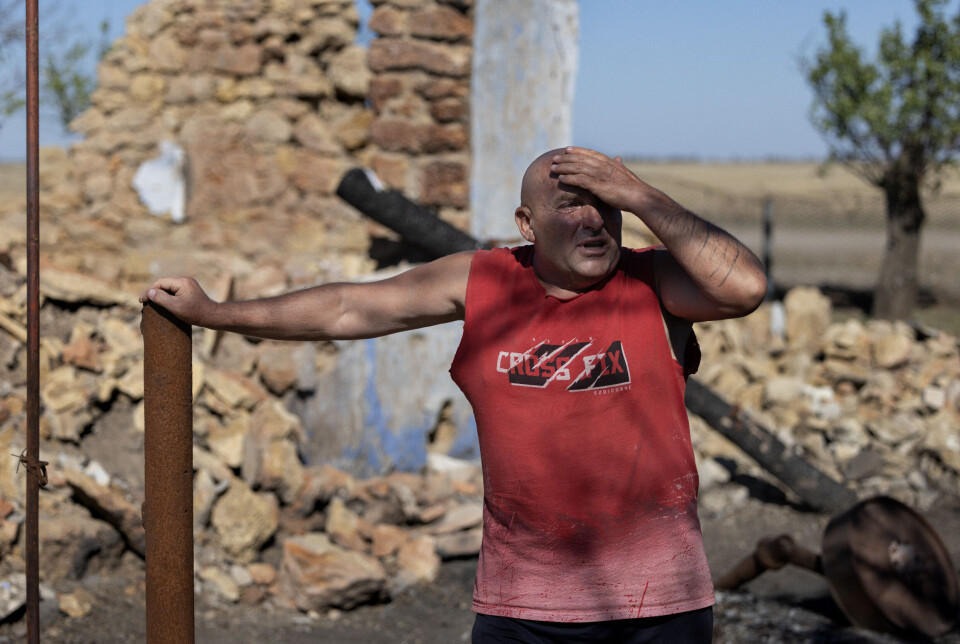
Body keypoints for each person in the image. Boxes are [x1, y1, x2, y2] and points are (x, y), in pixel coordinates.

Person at [141, 147, 767, 643]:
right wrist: (217, 312)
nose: (593, 220)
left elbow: (744, 287)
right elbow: (347, 309)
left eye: (606, 204)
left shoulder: (652, 281)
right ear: (527, 223)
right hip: (524, 609)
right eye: (570, 205)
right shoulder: (486, 280)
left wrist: (642, 194)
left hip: (660, 607)